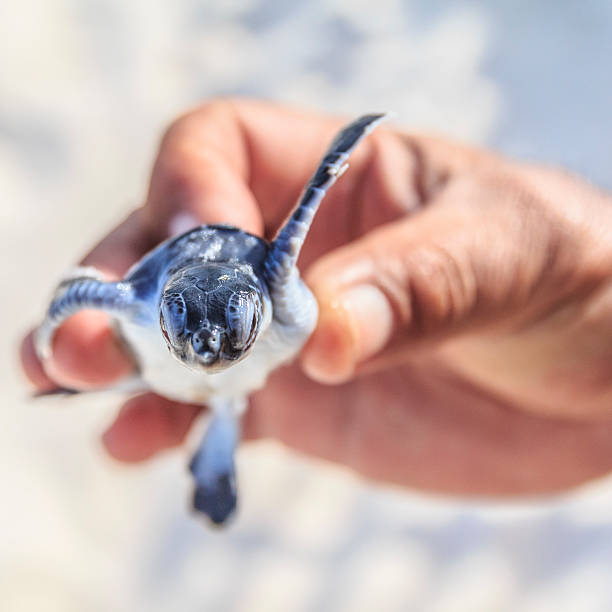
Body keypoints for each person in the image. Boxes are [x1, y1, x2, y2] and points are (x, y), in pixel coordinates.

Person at [20, 99, 612, 498]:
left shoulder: (270, 279)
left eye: (225, 327)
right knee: (113, 360)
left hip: (232, 371)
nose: (208, 347)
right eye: (191, 331)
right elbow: (85, 296)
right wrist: (57, 326)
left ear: (256, 300)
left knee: (164, 382)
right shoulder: (143, 296)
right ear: (163, 303)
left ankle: (206, 454)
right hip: (164, 359)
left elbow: (79, 300)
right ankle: (161, 418)